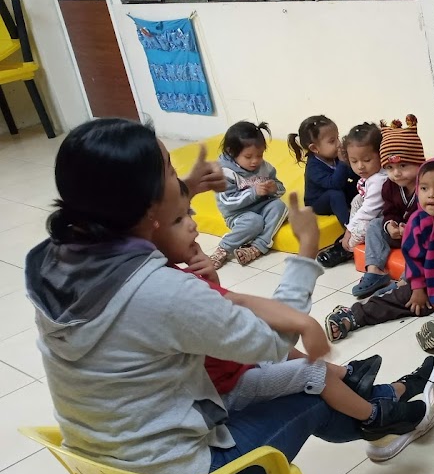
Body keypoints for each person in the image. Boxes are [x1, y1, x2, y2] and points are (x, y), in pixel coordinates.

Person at [26, 118, 434, 474]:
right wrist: (305, 253)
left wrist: (183, 191)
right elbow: (269, 341)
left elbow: (139, 230)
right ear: (146, 207)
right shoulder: (159, 291)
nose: (180, 181)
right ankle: (384, 418)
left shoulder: (56, 259)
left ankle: (381, 402)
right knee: (305, 382)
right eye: (169, 172)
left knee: (284, 373)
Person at [154, 180, 415, 447]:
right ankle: (374, 417)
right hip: (225, 389)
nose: (193, 224)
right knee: (313, 372)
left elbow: (233, 314)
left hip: (225, 372)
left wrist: (211, 281)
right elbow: (268, 336)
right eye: (178, 219)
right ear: (150, 226)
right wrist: (307, 247)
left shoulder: (168, 274)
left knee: (290, 357)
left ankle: (351, 378)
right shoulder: (172, 289)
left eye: (189, 213)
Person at [326, 158, 434, 351]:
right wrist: (418, 289)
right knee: (399, 298)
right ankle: (353, 317)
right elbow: (413, 258)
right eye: (424, 188)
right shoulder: (417, 220)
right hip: (431, 277)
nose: (431, 195)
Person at [352, 117, 424, 298]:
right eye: (390, 168)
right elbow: (390, 210)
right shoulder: (389, 186)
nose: (396, 173)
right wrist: (390, 224)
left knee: (426, 242)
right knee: (375, 224)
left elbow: (433, 215)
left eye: (403, 165)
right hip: (400, 234)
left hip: (422, 236)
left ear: (418, 162)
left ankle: (405, 281)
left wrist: (411, 228)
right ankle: (375, 271)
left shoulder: (427, 184)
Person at [212, 121, 286, 268]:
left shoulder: (264, 167)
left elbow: (280, 188)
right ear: (231, 152)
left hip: (261, 206)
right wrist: (254, 192)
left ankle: (258, 246)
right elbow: (227, 202)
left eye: (260, 155)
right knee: (254, 222)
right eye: (248, 156)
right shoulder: (223, 172)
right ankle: (224, 248)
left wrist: (274, 188)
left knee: (279, 206)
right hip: (238, 213)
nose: (255, 161)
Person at [288, 115, 358, 257]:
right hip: (318, 202)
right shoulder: (313, 167)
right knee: (335, 194)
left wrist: (354, 164)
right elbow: (334, 184)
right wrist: (343, 163)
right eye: (332, 141)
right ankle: (350, 229)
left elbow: (351, 175)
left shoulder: (334, 157)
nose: (338, 144)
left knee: (358, 184)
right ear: (315, 148)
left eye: (337, 138)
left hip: (339, 192)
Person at [332, 123, 387, 267]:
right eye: (354, 161)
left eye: (367, 160)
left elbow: (368, 211)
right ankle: (352, 233)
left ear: (381, 155)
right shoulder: (371, 174)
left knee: (364, 226)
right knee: (357, 199)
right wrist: (351, 227)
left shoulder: (379, 180)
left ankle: (348, 248)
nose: (360, 166)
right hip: (373, 213)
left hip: (383, 219)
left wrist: (349, 230)